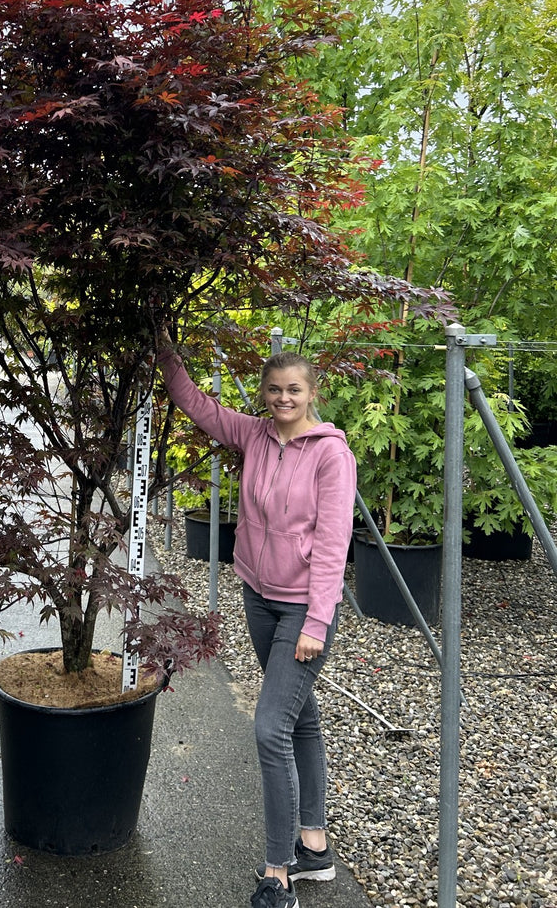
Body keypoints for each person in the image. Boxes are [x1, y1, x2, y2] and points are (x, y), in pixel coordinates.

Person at [156, 330, 356, 908]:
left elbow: (333, 542)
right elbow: (198, 405)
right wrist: (165, 352)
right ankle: (314, 844)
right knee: (301, 718)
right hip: (258, 594)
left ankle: (279, 869)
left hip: (301, 607)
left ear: (312, 391)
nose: (282, 399)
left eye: (293, 389)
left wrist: (318, 622)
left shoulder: (330, 455)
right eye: (274, 390)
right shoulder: (255, 434)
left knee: (271, 726)